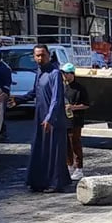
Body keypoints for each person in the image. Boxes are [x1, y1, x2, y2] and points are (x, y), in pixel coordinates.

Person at [21, 44, 71, 193]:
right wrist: (18, 100)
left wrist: (49, 118)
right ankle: (38, 182)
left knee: (54, 151)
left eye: (42, 55)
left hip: (53, 119)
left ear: (49, 55)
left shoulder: (55, 73)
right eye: (37, 55)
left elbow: (56, 98)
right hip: (40, 117)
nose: (40, 58)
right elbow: (35, 91)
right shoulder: (39, 72)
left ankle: (55, 183)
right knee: (39, 148)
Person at [61, 63, 90, 181]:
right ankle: (69, 166)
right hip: (65, 119)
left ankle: (79, 168)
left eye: (66, 73)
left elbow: (86, 105)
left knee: (75, 143)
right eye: (63, 73)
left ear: (72, 74)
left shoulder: (80, 88)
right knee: (66, 144)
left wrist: (73, 107)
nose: (64, 76)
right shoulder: (63, 87)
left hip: (76, 120)